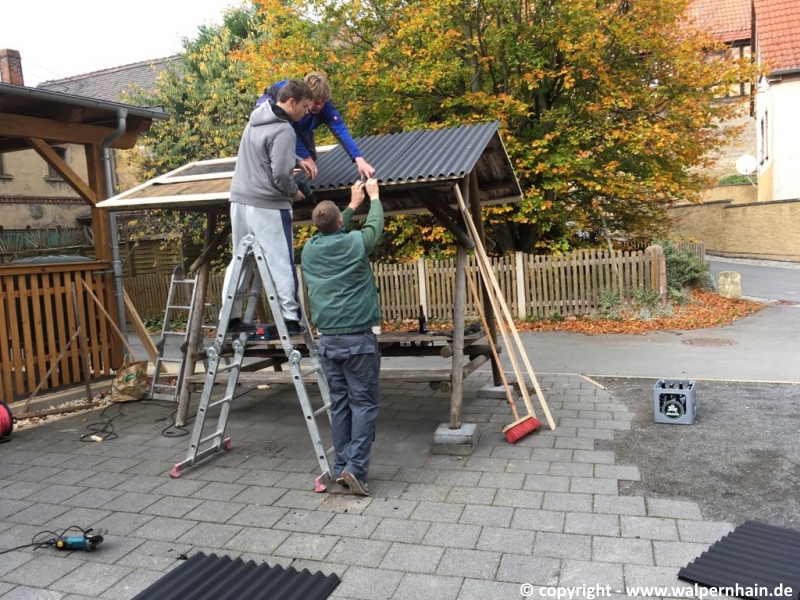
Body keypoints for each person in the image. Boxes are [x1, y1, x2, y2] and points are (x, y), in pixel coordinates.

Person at [301, 179, 383, 496]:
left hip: (328, 344)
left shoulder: (310, 250)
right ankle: (355, 470)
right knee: (363, 404)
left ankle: (340, 467)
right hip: (358, 343)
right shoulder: (354, 243)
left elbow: (330, 229)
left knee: (340, 405)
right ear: (340, 222)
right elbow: (374, 228)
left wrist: (351, 205)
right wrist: (373, 198)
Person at [224, 78, 314, 336]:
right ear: (291, 102)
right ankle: (290, 318)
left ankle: (229, 317)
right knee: (280, 260)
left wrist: (295, 158)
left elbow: (264, 149)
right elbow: (281, 175)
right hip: (268, 204)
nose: (306, 113)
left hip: (239, 200)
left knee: (240, 259)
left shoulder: (256, 120)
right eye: (304, 107)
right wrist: (293, 192)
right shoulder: (285, 130)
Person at [256, 72, 376, 180]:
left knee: (311, 161)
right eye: (316, 102)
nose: (319, 106)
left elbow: (341, 130)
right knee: (291, 151)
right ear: (306, 97)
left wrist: (359, 159)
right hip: (275, 114)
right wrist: (304, 157)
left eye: (322, 102)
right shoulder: (291, 96)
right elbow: (289, 131)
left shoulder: (326, 106)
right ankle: (279, 180)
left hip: (301, 125)